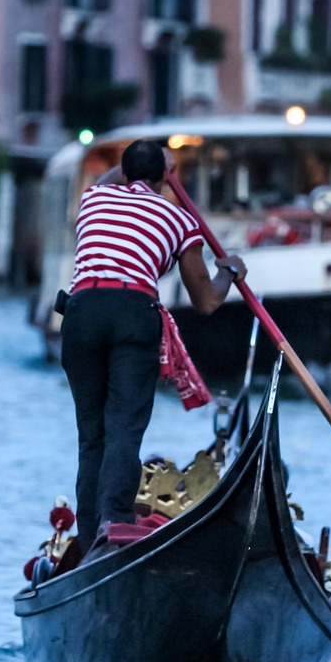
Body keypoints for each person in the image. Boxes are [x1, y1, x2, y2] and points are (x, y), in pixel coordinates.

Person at [60, 139, 246, 553]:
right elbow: (207, 302)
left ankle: (90, 536)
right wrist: (230, 271)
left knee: (92, 436)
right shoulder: (181, 221)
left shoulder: (94, 198)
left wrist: (158, 163)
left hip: (82, 312)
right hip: (132, 312)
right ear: (166, 178)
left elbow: (117, 176)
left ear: (124, 174)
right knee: (124, 427)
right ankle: (115, 524)